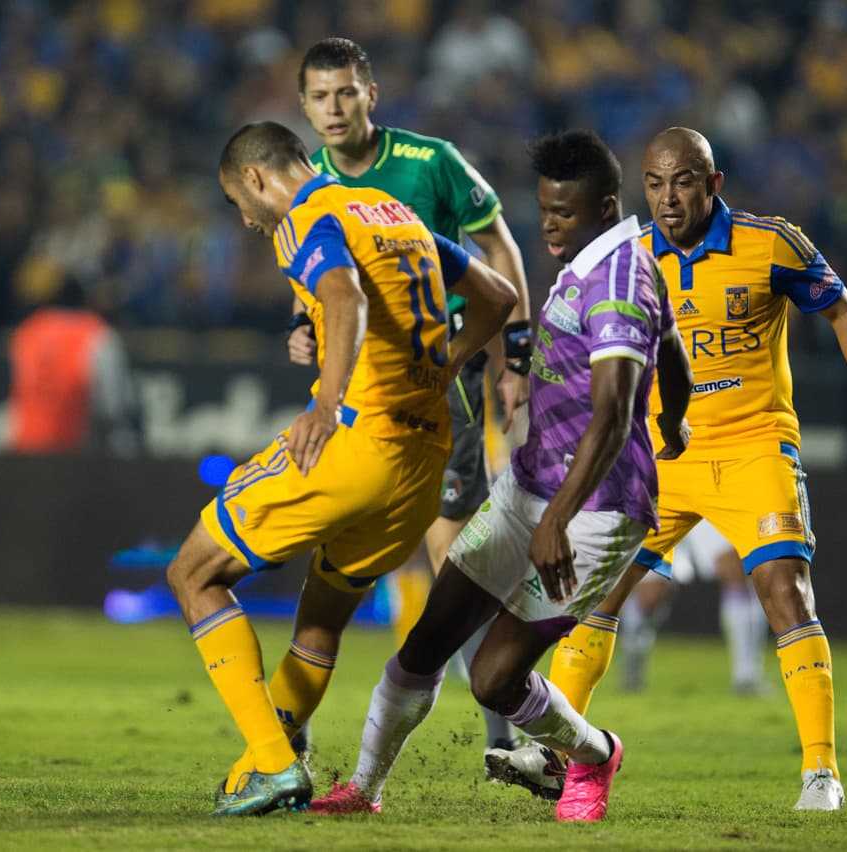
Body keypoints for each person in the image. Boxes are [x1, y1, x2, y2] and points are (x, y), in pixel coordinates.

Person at [496, 126, 847, 811]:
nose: (668, 198)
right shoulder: (627, 259)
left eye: (682, 182)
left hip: (755, 446)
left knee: (784, 591)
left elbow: (842, 310)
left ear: (713, 184)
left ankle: (821, 773)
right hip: (661, 456)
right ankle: (558, 755)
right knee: (594, 597)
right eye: (654, 184)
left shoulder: (771, 243)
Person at [306, 129, 692, 822]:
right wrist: (674, 420)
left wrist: (556, 521)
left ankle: (596, 754)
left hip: (596, 509)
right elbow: (671, 349)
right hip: (530, 486)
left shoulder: (618, 281)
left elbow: (610, 418)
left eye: (564, 213)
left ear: (605, 207)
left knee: (494, 678)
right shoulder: (599, 258)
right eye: (544, 210)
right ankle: (362, 790)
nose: (549, 225)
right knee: (426, 642)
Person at [166, 120, 517, 817]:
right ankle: (261, 769)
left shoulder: (306, 217)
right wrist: (451, 361)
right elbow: (500, 295)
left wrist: (326, 404)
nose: (246, 220)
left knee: (193, 574)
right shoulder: (393, 213)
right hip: (423, 463)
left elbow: (345, 294)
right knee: (322, 617)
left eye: (239, 201)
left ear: (257, 178)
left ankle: (275, 765)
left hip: (357, 441)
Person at [288, 35, 533, 759]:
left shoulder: (431, 162)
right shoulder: (306, 182)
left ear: (371, 94)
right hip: (356, 389)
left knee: (453, 554)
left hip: (439, 379)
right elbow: (317, 278)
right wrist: (301, 326)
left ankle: (499, 735)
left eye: (345, 92)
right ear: (304, 106)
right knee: (329, 543)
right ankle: (288, 732)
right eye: (320, 97)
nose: (334, 108)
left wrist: (514, 358)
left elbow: (502, 252)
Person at [614, 520, 771, 694]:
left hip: (708, 508)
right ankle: (633, 654)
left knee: (735, 568)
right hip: (665, 507)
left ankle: (746, 675)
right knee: (652, 595)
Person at [7, 275, 140, 455]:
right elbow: (113, 407)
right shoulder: (97, 334)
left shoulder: (28, 330)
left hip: (24, 449)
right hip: (76, 454)